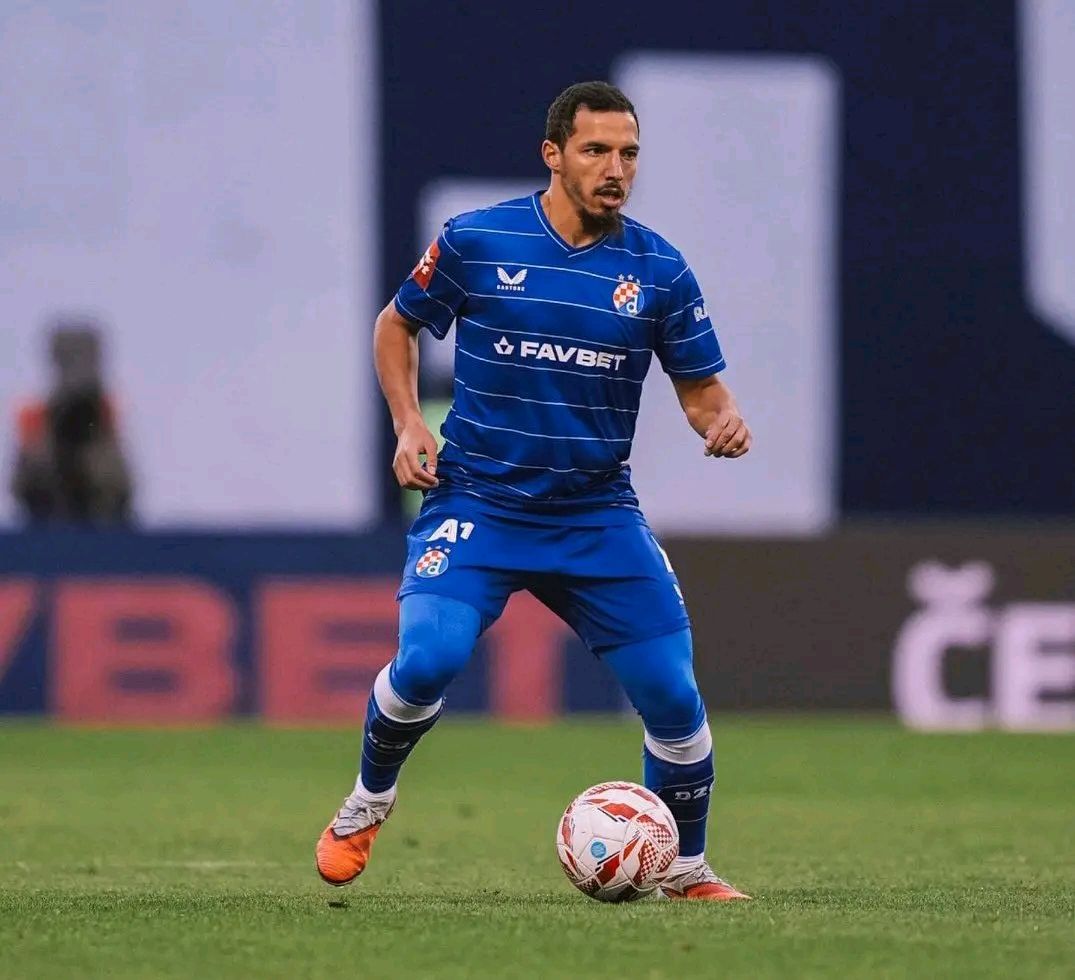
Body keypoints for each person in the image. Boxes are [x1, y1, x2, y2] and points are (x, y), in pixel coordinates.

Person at [317, 81, 752, 900]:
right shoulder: (478, 240)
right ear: (552, 154)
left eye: (628, 153)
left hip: (595, 513)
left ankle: (685, 866)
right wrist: (408, 423)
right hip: (478, 501)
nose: (615, 169)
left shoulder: (659, 270)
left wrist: (720, 420)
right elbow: (395, 324)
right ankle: (368, 799)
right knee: (428, 660)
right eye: (595, 151)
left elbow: (701, 390)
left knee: (672, 692)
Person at [11, 319, 133, 524]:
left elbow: (120, 487)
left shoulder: (105, 414)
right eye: (70, 357)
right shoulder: (35, 416)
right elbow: (24, 487)